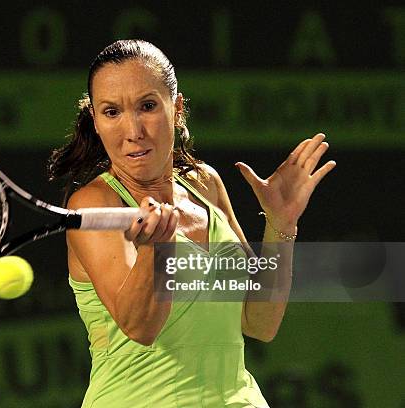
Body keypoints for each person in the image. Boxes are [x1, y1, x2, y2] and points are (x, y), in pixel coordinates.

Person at [48, 39, 335, 407]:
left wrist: (281, 225)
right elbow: (140, 327)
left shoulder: (205, 185)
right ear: (96, 123)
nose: (133, 130)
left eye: (147, 106)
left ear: (177, 109)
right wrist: (157, 248)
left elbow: (258, 321)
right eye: (112, 112)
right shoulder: (94, 204)